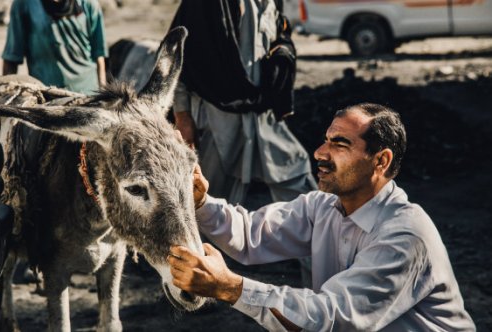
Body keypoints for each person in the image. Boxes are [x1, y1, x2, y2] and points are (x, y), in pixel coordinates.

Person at [168, 103, 476, 331]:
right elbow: (252, 234)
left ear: (381, 161)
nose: (319, 152)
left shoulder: (404, 236)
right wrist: (201, 203)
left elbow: (328, 318)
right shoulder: (324, 206)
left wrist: (229, 287)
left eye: (340, 144)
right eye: (326, 140)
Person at [172, 0, 317, 206]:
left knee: (295, 175)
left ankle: (324, 232)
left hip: (262, 115)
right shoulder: (206, 5)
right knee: (207, 198)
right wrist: (182, 115)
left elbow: (278, 37)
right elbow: (180, 56)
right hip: (218, 119)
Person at [1, 0, 107, 94]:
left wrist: (103, 93)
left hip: (87, 93)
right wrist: (4, 96)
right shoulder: (24, 5)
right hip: (46, 97)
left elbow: (99, 55)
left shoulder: (89, 4)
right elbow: (11, 58)